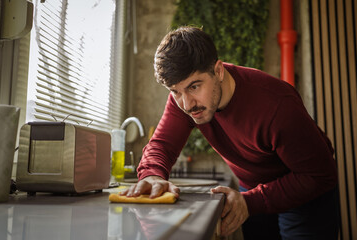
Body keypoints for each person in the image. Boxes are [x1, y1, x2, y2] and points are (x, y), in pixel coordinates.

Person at [121, 26, 339, 239]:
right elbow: (162, 145)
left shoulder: (277, 105)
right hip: (252, 188)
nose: (187, 104)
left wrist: (251, 201)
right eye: (175, 91)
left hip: (304, 191)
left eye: (194, 86)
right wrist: (152, 175)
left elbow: (319, 174)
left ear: (218, 70)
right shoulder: (183, 100)